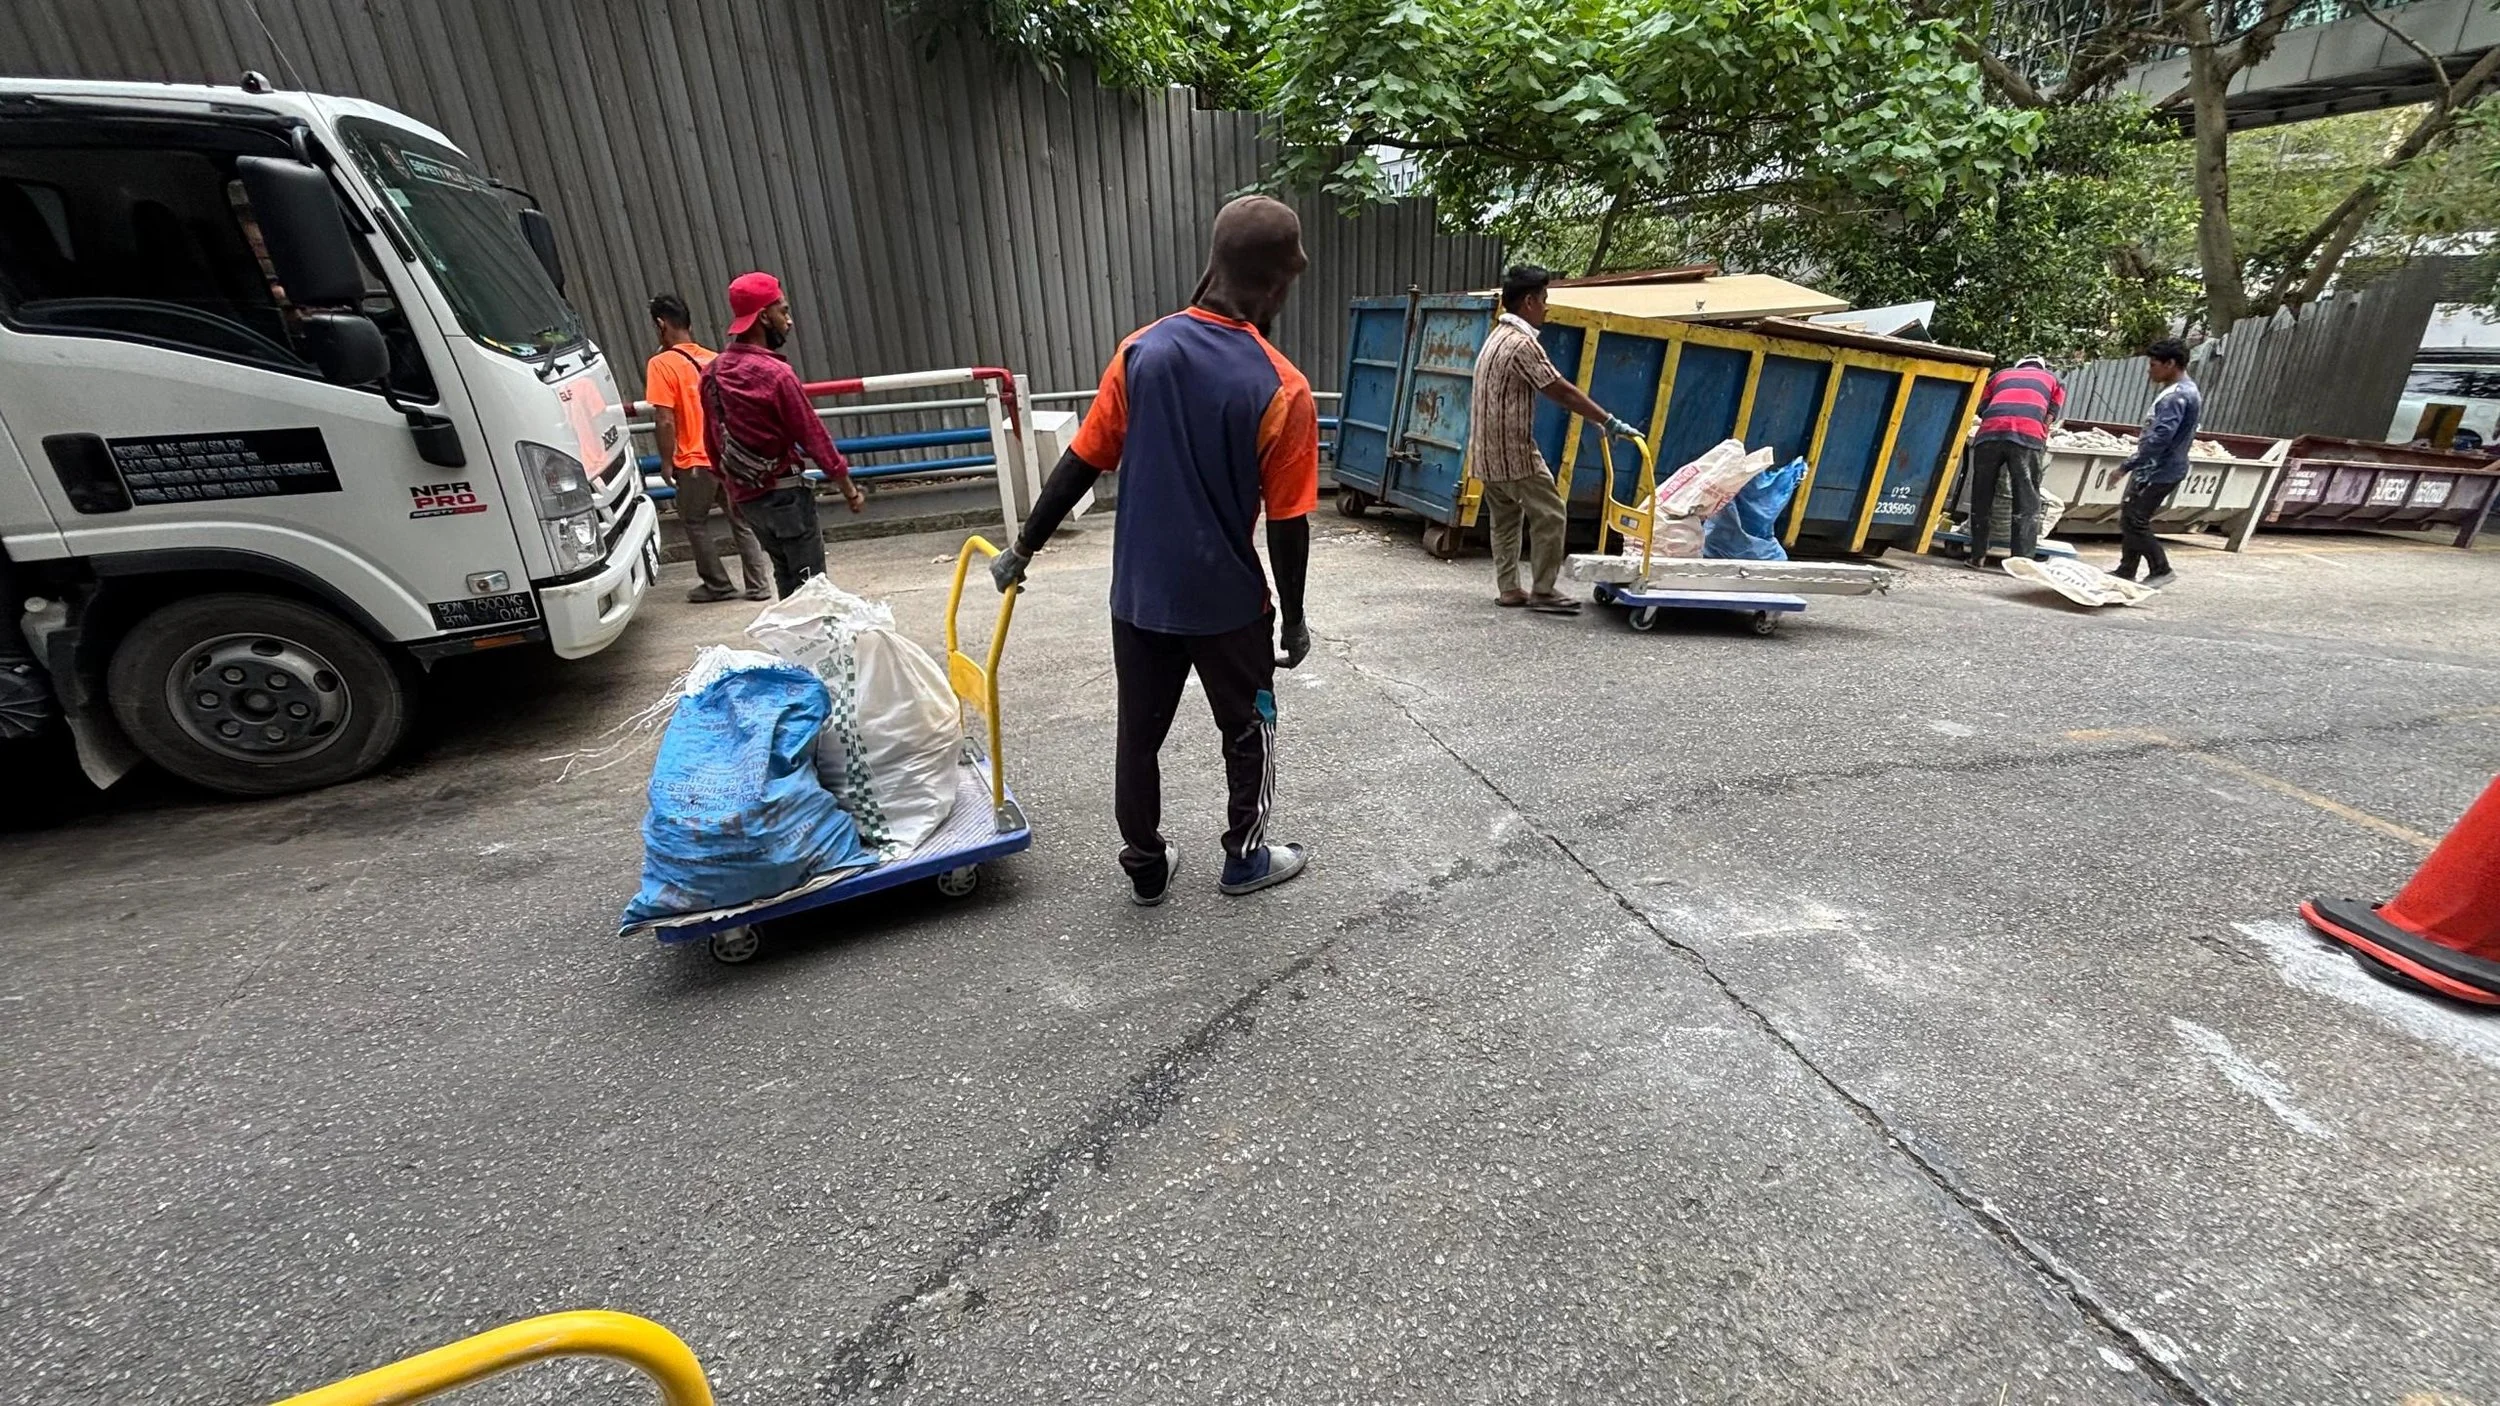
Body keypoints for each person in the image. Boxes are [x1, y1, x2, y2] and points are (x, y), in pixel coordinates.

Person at [987, 195, 1317, 906]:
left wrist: (1023, 549)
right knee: (1250, 724)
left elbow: (1081, 461)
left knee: (1138, 736)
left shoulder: (1143, 351)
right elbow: (1289, 523)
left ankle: (1144, 863)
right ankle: (1245, 857)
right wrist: (1292, 618)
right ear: (1277, 282)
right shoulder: (1282, 387)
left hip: (1138, 599)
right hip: (1230, 605)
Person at [1470, 265, 1644, 614]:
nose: (1547, 307)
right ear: (1530, 301)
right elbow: (1560, 390)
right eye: (1545, 299)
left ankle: (1509, 589)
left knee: (1506, 520)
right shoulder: (1522, 344)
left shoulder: (1495, 337)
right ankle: (1544, 591)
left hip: (1485, 454)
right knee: (1550, 514)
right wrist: (1608, 420)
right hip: (1513, 454)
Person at [698, 271, 866, 597]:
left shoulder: (713, 372)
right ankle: (812, 646)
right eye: (783, 311)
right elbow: (814, 436)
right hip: (786, 496)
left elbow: (712, 439)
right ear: (763, 316)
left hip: (750, 501)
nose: (788, 321)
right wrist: (849, 490)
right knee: (811, 590)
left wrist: (731, 491)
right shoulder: (776, 374)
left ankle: (792, 647)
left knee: (786, 581)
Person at [644, 293, 771, 602]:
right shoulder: (715, 358)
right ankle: (758, 586)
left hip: (694, 460)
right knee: (741, 520)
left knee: (694, 520)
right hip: (726, 454)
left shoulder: (661, 365)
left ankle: (717, 584)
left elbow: (664, 419)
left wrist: (665, 461)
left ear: (661, 325)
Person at [2111, 338, 2202, 589]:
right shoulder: (2185, 391)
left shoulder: (2176, 396)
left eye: (2153, 365)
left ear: (2171, 364)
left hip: (2159, 469)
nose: (2149, 370)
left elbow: (2161, 437)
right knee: (2130, 516)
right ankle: (2126, 569)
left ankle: (2161, 569)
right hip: (2157, 467)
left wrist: (2126, 465)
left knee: (2135, 520)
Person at [1965, 354, 2063, 567]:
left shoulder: (1999, 375)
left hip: (1989, 435)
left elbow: (1982, 408)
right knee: (2026, 498)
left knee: (1982, 496)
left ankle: (1977, 556)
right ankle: (2021, 560)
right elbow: (2050, 415)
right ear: (2041, 367)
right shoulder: (2053, 380)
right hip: (2026, 436)